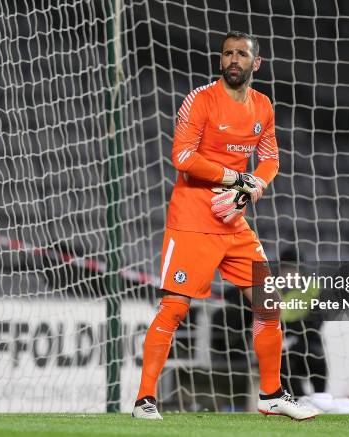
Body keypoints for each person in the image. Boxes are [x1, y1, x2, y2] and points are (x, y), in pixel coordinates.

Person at [132, 31, 319, 421]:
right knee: (175, 307)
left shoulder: (263, 107)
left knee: (268, 302)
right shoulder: (200, 100)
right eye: (228, 54)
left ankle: (271, 394)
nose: (234, 59)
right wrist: (237, 180)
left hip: (233, 223)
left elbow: (269, 159)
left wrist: (257, 185)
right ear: (221, 62)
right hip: (192, 221)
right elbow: (182, 156)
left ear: (256, 63)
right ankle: (144, 399)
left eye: (242, 54)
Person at [278, 247, 328, 397]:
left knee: (317, 358)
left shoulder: (313, 290)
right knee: (281, 365)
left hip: (308, 343)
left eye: (293, 270)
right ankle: (300, 401)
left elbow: (316, 322)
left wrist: (292, 333)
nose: (289, 274)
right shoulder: (274, 292)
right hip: (284, 347)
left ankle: (321, 398)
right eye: (286, 270)